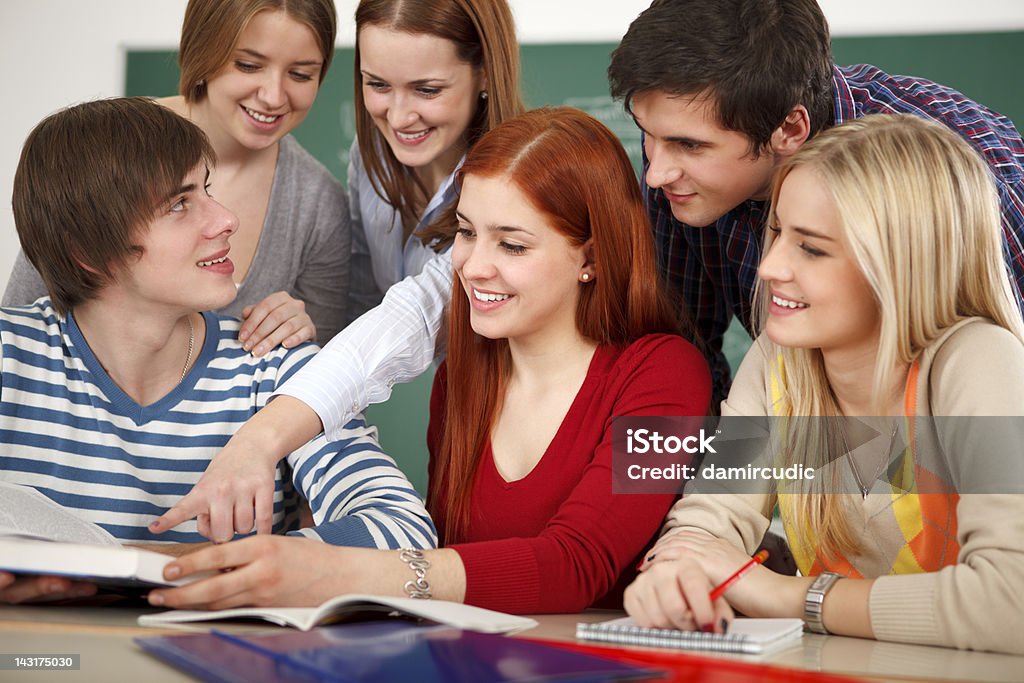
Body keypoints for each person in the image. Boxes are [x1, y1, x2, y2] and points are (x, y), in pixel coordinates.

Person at [146, 108, 711, 613]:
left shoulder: (668, 373)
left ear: (590, 255)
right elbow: (449, 557)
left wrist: (339, 572)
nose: (473, 266)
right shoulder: (466, 372)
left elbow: (575, 566)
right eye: (466, 233)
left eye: (512, 245)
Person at [0, 98, 434, 604]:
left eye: (207, 190)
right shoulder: (10, 359)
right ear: (88, 253)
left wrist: (146, 568)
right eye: (179, 204)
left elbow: (404, 530)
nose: (226, 219)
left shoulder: (277, 366)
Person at [622, 114, 1024, 655]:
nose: (769, 268)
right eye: (778, 234)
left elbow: (1010, 603)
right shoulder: (776, 360)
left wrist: (788, 597)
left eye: (810, 248)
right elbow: (710, 517)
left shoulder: (979, 361)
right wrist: (676, 573)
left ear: (899, 264)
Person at [605, 0, 1024, 404]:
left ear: (789, 129)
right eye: (647, 133)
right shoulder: (774, 358)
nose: (655, 174)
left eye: (689, 146)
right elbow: (682, 358)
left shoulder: (954, 179)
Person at [3, 0, 350, 353]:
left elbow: (328, 382)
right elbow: (20, 330)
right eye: (247, 65)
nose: (274, 96)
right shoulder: (108, 151)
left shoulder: (318, 203)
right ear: (203, 51)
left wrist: (300, 332)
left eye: (301, 74)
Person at [345, 0, 525, 324]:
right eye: (377, 84)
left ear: (485, 72)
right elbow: (359, 299)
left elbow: (422, 315)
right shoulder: (370, 152)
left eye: (427, 90)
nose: (398, 118)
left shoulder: (522, 181)